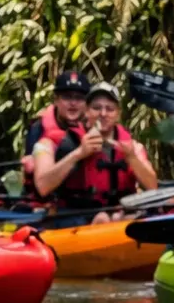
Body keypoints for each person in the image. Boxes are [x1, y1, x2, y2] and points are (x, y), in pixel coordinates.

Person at [30, 81, 158, 224]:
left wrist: (132, 158)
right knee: (102, 219)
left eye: (110, 109)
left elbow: (152, 187)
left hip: (119, 215)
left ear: (118, 114)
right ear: (86, 111)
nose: (103, 114)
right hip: (76, 217)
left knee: (119, 218)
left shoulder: (134, 147)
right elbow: (43, 187)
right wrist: (79, 153)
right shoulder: (54, 143)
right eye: (96, 108)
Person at [20, 71, 92, 200]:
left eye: (79, 98)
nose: (73, 103)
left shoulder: (94, 126)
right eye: (67, 97)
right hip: (49, 195)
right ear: (56, 100)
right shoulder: (38, 127)